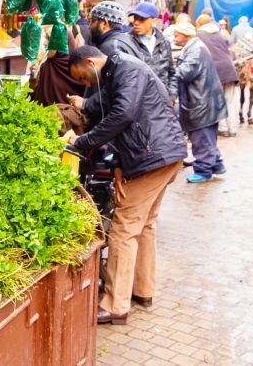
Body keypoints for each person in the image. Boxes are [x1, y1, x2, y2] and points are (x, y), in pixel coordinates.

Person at [64, 45, 187, 325]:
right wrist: (118, 165)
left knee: (123, 229)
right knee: (145, 225)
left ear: (90, 62)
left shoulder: (126, 69)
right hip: (163, 154)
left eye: (82, 77)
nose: (84, 84)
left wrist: (82, 141)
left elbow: (122, 115)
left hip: (152, 156)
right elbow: (108, 109)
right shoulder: (115, 72)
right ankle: (142, 290)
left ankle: (115, 304)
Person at [174, 22, 228, 183]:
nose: (174, 37)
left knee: (201, 138)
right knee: (207, 137)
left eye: (176, 35)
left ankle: (204, 170)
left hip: (202, 103)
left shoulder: (196, 50)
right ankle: (216, 164)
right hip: (206, 101)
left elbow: (184, 73)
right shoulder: (196, 46)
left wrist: (166, 72)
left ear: (186, 35)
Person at [196, 15, 239, 137]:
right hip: (229, 69)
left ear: (199, 23)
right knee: (229, 101)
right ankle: (233, 129)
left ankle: (223, 128)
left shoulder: (199, 35)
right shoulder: (219, 34)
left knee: (217, 100)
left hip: (215, 70)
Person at [127, 1, 177, 101]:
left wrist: (171, 95)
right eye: (135, 18)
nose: (136, 22)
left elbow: (172, 72)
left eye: (142, 19)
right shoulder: (127, 42)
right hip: (137, 103)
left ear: (153, 21)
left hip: (161, 101)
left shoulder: (164, 42)